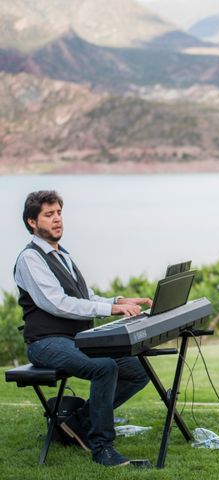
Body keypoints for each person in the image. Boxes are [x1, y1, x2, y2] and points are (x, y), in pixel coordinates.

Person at [14, 190, 152, 467]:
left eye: (59, 213)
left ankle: (78, 423)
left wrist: (118, 301)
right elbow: (57, 303)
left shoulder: (62, 256)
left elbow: (85, 298)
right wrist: (110, 310)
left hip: (76, 339)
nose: (57, 220)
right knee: (104, 367)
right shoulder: (30, 259)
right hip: (46, 343)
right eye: (49, 214)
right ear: (32, 222)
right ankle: (102, 448)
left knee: (137, 372)